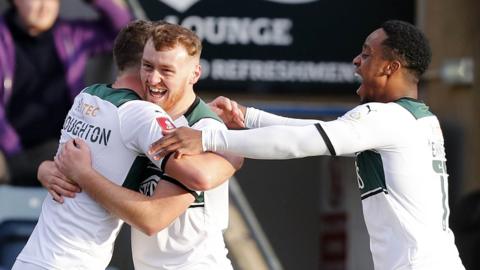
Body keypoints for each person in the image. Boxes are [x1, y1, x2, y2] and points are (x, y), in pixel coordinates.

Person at [149, 20, 467, 270]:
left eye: (367, 54)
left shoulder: (384, 118)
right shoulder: (420, 120)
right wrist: (250, 117)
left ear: (390, 67)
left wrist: (207, 137)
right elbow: (324, 132)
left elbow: (300, 142)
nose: (357, 61)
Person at [13, 20, 239, 270]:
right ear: (143, 60)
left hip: (34, 258)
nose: (154, 79)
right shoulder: (142, 116)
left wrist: (50, 169)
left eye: (166, 69)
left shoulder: (87, 96)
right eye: (149, 66)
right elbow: (200, 177)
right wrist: (234, 151)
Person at [0, 0, 132, 186]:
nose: (45, 5)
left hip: (63, 146)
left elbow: (125, 32)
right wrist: (15, 154)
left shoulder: (70, 35)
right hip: (9, 152)